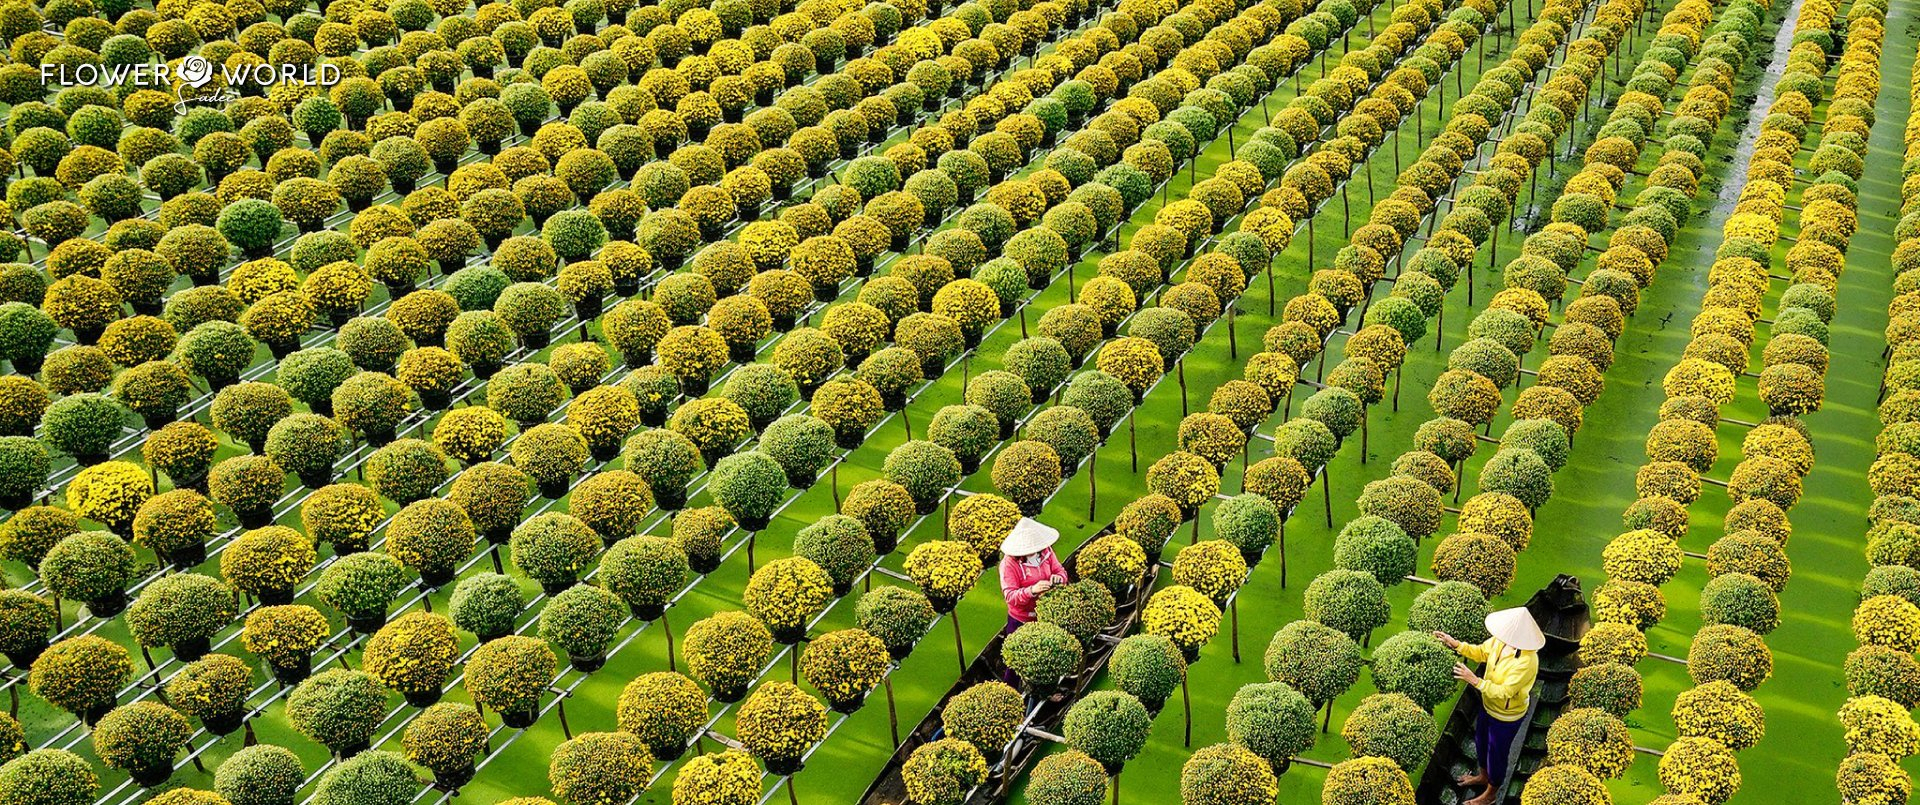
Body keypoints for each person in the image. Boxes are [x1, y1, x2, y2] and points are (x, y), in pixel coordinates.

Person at [1433, 607, 1544, 805]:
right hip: (1488, 705)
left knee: (1497, 754)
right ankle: (1483, 776)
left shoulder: (1527, 661)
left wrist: (1474, 680)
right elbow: (1481, 652)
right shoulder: (1500, 642)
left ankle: (1490, 795)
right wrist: (1456, 644)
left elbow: (1505, 692)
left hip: (1507, 715)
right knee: (1481, 742)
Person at [997, 517, 1066, 684]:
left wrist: (1058, 579)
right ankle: (1010, 692)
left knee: (1046, 655)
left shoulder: (1047, 552)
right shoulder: (1009, 564)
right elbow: (1010, 596)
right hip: (1020, 619)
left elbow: (1060, 571)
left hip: (1045, 615)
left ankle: (1045, 689)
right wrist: (1032, 590)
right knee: (1014, 662)